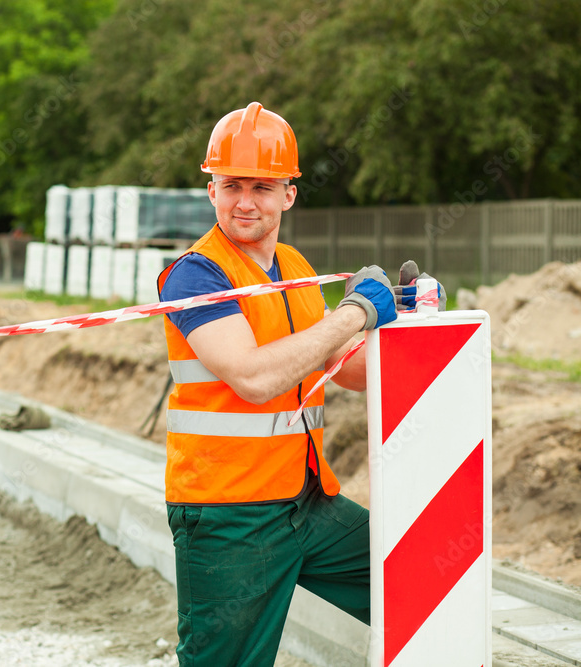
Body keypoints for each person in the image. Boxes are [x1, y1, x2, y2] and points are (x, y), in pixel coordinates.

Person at [156, 102, 401, 666]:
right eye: (231, 185)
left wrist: (412, 329)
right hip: (228, 517)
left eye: (262, 186)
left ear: (289, 193)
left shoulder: (292, 265)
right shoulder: (195, 274)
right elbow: (255, 377)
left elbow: (349, 369)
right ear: (210, 189)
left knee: (420, 575)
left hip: (307, 503)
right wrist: (355, 311)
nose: (246, 201)